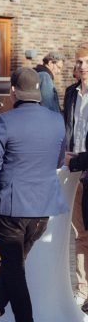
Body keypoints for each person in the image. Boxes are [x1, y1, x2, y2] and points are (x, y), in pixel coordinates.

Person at [0, 67, 67, 322]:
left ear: (13, 91)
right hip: (42, 209)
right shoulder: (57, 120)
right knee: (15, 265)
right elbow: (57, 161)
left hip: (9, 206)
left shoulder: (5, 121)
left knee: (14, 267)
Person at [63, 44, 88, 308]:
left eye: (86, 61)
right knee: (80, 235)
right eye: (79, 62)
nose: (82, 66)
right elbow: (66, 129)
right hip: (74, 172)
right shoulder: (71, 93)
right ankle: (83, 290)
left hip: (85, 164)